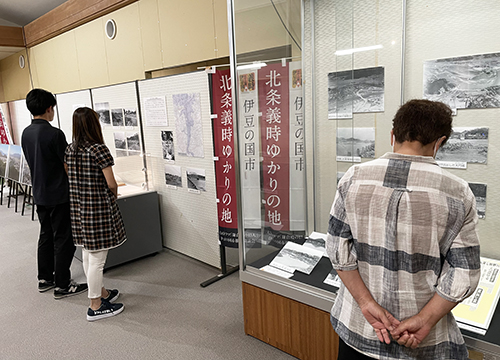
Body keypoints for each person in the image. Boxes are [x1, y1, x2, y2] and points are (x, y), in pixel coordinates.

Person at [326, 99, 480, 359]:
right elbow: (465, 272)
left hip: (359, 328)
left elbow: (337, 250)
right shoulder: (458, 193)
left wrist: (366, 303)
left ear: (392, 135)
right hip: (421, 340)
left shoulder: (353, 178)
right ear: (439, 142)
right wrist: (425, 319)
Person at [22, 88, 88, 299]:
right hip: (59, 194)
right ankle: (62, 284)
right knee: (63, 239)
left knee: (46, 235)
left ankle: (45, 278)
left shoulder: (26, 132)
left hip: (39, 193)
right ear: (49, 108)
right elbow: (67, 164)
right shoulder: (54, 134)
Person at [64, 107, 126, 321]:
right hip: (98, 210)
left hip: (79, 210)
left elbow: (72, 177)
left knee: (89, 255)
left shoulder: (70, 149)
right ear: (93, 125)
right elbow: (111, 183)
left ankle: (101, 293)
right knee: (98, 259)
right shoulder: (99, 149)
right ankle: (95, 305)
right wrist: (114, 195)